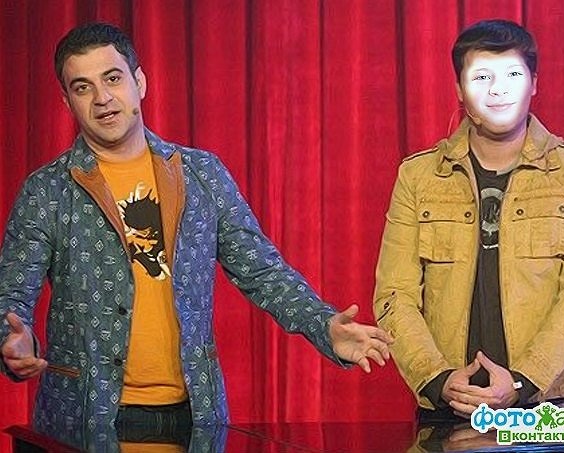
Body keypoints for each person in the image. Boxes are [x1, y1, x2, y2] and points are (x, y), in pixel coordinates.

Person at [0, 22, 393, 446]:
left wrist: (323, 325)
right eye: (83, 87)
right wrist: (11, 339)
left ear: (139, 82)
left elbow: (263, 272)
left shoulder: (201, 174)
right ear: (67, 101)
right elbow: (10, 298)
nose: (102, 98)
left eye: (112, 79)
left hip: (196, 418)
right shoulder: (47, 190)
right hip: (82, 418)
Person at [374, 19, 564, 423]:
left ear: (534, 83)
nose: (498, 89)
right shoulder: (418, 175)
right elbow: (395, 294)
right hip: (448, 405)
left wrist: (522, 382)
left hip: (547, 405)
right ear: (459, 89)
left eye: (513, 75)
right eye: (481, 77)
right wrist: (437, 379)